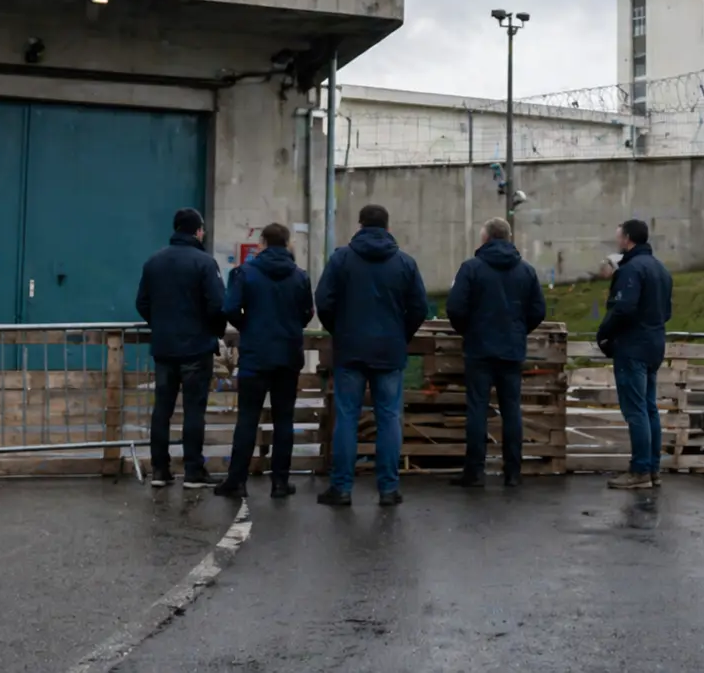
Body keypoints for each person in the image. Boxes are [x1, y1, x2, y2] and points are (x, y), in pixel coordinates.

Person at [314, 203, 428, 507]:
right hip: (389, 351)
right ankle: (388, 489)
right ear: (388, 228)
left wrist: (339, 330)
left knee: (347, 418)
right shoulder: (404, 262)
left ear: (360, 226)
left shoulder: (341, 259)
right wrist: (400, 335)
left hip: (350, 350)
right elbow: (419, 307)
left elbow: (323, 301)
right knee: (389, 418)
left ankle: (341, 488)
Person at [445, 217, 546, 488]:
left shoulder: (471, 268)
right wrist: (518, 330)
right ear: (509, 238)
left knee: (477, 409)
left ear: (486, 238)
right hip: (512, 349)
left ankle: (474, 471)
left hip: (479, 348)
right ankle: (512, 472)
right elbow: (538, 310)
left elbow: (455, 307)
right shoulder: (526, 271)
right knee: (511, 409)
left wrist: (468, 329)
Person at [214, 223, 313, 500]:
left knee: (247, 418)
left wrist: (248, 326)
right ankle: (280, 482)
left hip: (256, 355)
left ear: (263, 242)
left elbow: (230, 308)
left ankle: (237, 481)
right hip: (288, 355)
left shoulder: (245, 273)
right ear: (288, 243)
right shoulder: (300, 276)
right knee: (284, 420)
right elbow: (307, 312)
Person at [135, 207, 227, 489]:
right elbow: (217, 305)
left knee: (162, 409)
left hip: (164, 348)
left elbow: (142, 303)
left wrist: (161, 324)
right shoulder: (205, 263)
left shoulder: (154, 262)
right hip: (196, 348)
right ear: (198, 231)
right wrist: (213, 332)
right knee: (193, 410)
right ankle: (193, 471)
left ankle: (160, 470)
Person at [596, 218, 673, 490]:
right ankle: (652, 469)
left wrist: (604, 332)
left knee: (636, 410)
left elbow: (623, 308)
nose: (617, 241)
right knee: (649, 408)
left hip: (633, 345)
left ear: (627, 238)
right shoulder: (661, 270)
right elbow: (667, 312)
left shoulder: (631, 270)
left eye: (618, 236)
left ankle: (639, 470)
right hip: (655, 344)